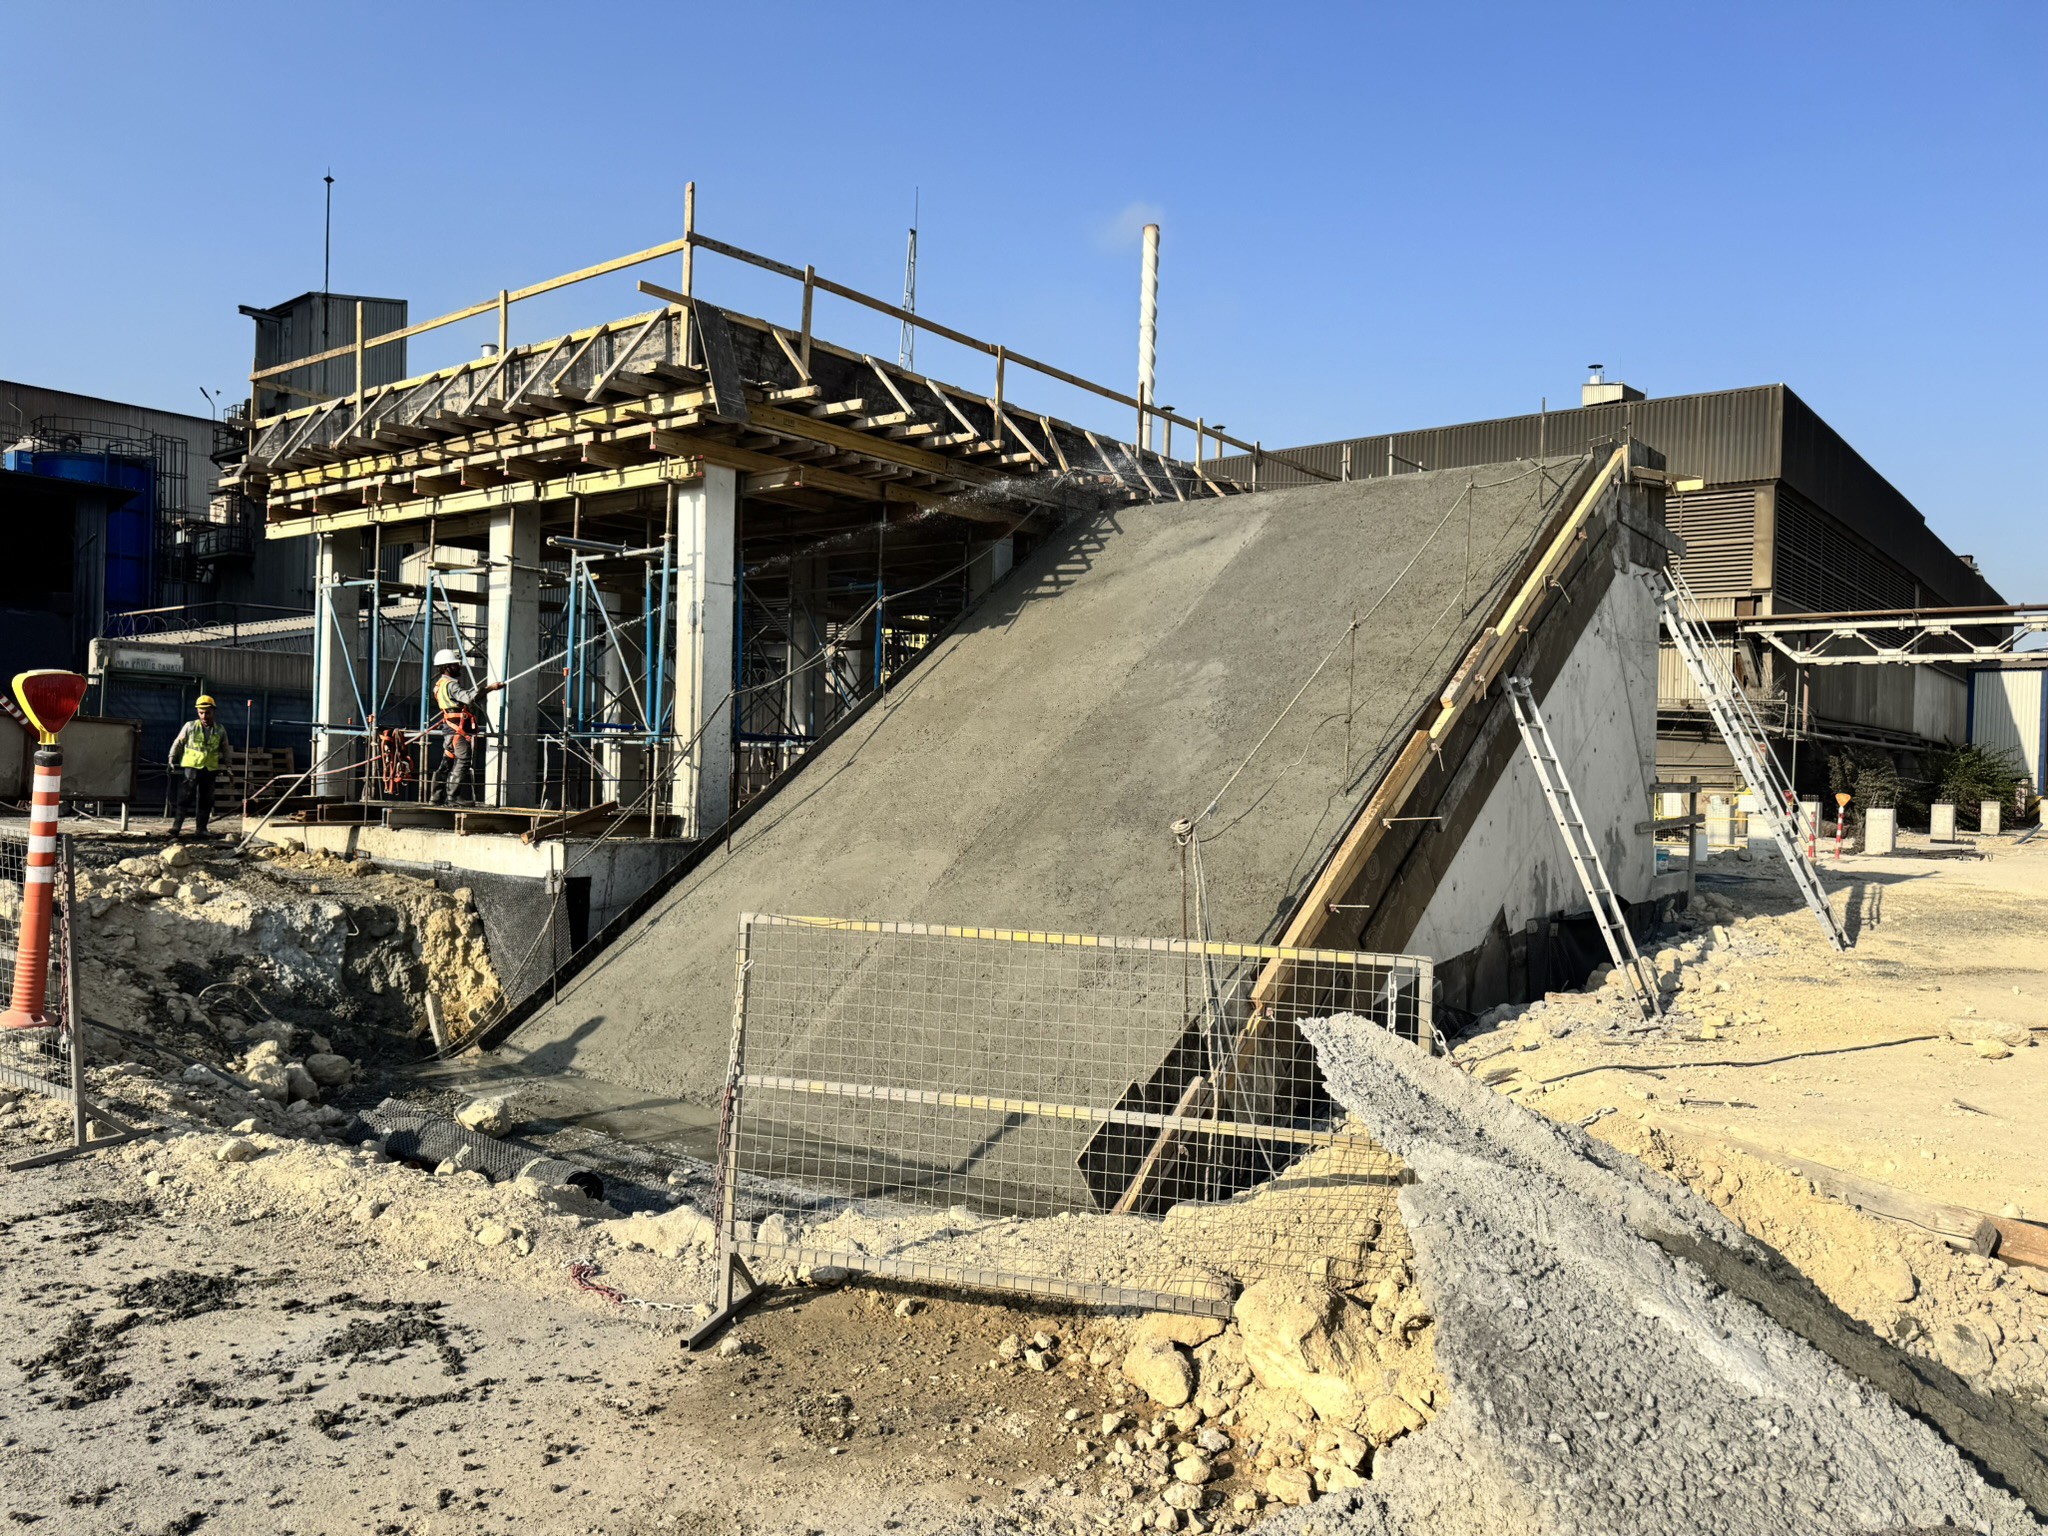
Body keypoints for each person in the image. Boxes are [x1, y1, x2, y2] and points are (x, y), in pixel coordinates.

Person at [431, 650, 503, 805]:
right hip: (457, 728)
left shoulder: (439, 685)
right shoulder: (451, 685)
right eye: (456, 664)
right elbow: (469, 698)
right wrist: (490, 688)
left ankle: (436, 797)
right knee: (463, 759)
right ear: (448, 667)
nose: (459, 667)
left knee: (447, 760)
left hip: (449, 728)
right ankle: (453, 797)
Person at [168, 694, 230, 839]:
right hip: (192, 767)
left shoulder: (220, 730)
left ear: (213, 711)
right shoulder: (190, 726)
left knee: (206, 799)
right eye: (201, 713)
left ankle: (201, 829)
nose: (204, 716)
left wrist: (229, 766)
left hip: (210, 768)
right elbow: (178, 742)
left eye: (207, 713)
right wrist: (171, 758)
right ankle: (176, 827)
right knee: (185, 797)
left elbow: (225, 748)